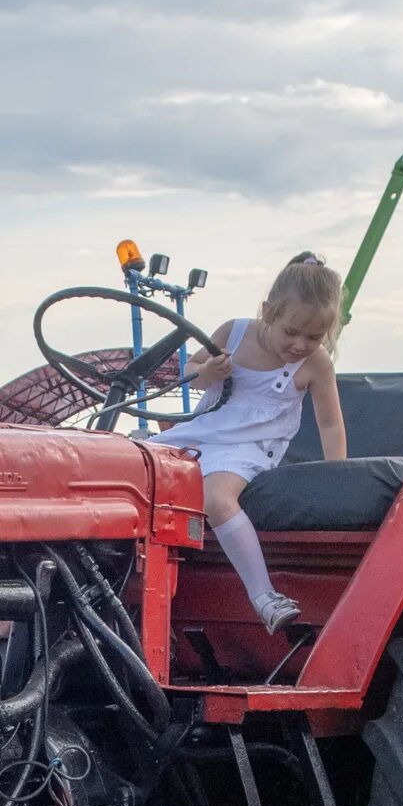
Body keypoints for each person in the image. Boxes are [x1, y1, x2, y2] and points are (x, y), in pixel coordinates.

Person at [149, 253, 348, 632]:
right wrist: (207, 371)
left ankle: (264, 597)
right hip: (202, 431)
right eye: (292, 331)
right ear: (268, 312)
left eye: (314, 336)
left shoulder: (317, 364)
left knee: (216, 499)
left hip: (251, 447)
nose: (300, 344)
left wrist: (336, 475)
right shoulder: (233, 333)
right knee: (132, 466)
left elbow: (330, 422)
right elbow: (189, 377)